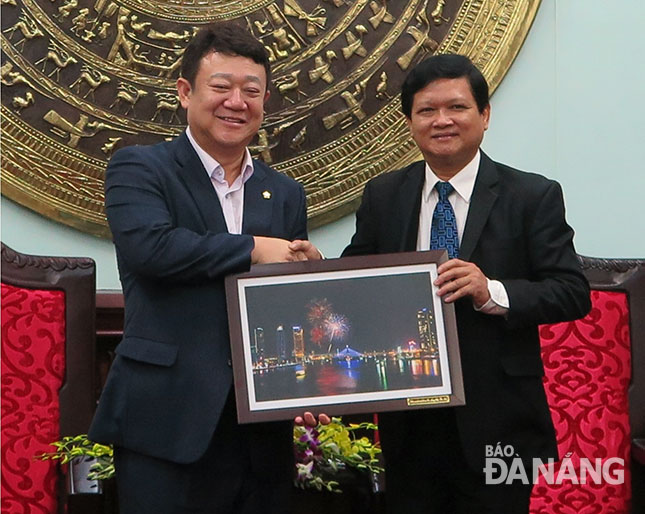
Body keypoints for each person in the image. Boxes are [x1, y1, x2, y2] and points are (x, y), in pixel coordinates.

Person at [89, 22, 327, 514]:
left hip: (261, 430)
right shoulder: (139, 168)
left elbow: (282, 303)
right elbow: (153, 250)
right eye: (221, 87)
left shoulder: (285, 193)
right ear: (185, 92)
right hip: (167, 422)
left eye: (252, 91)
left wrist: (309, 272)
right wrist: (254, 249)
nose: (236, 102)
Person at [342, 54, 591, 513]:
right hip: (409, 424)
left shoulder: (532, 196)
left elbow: (572, 292)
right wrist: (311, 269)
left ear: (485, 115)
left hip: (499, 420)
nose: (442, 121)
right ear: (410, 121)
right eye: (426, 110)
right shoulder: (384, 195)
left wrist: (490, 291)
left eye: (456, 107)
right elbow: (356, 281)